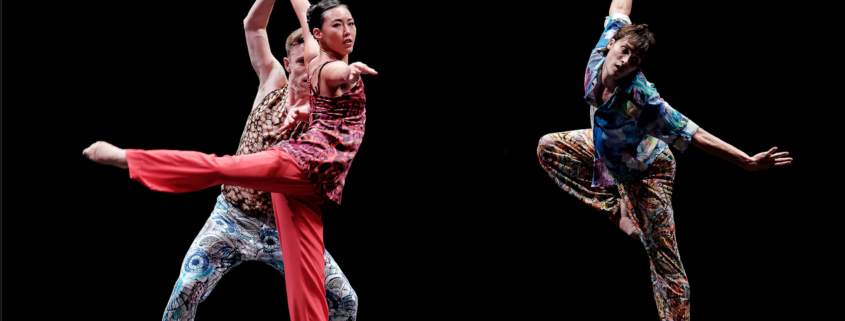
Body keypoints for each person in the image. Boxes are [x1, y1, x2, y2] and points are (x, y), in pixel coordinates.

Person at [83, 0, 375, 320]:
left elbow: (333, 80)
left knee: (345, 301)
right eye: (303, 62)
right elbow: (254, 26)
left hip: (283, 220)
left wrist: (336, 77)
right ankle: (130, 159)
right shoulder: (271, 81)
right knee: (185, 290)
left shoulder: (324, 98)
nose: (310, 70)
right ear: (288, 64)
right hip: (232, 219)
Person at [536, 1, 792, 320]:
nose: (626, 61)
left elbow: (695, 133)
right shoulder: (609, 38)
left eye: (636, 59)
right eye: (625, 51)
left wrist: (746, 161)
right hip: (609, 155)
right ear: (613, 43)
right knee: (549, 147)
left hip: (648, 171)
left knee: (664, 262)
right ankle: (615, 210)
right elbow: (620, 6)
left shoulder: (641, 97)